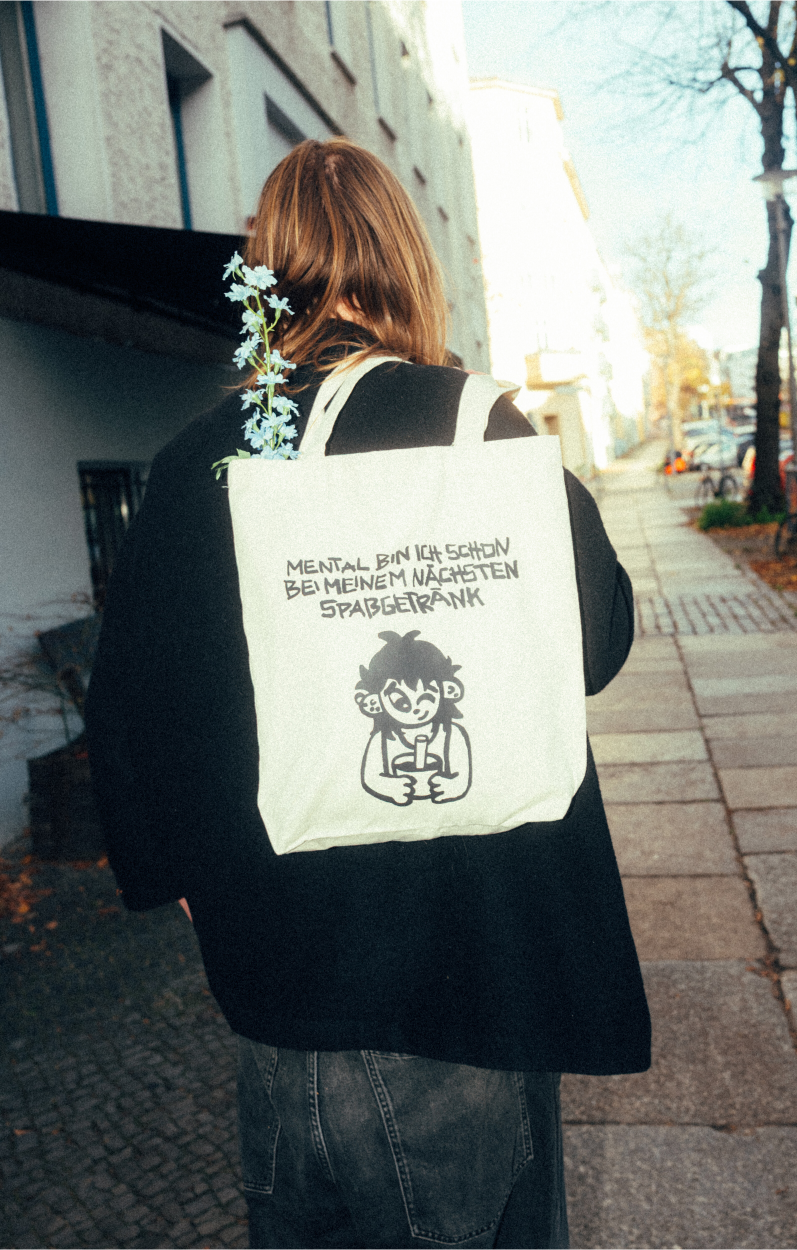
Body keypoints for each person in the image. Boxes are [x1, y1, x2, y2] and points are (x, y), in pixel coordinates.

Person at [85, 137, 650, 1250]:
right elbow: (593, 639)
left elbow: (128, 709)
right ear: (404, 257)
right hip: (461, 975)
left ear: (274, 264)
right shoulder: (475, 429)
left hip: (274, 982)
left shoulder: (202, 458)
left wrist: (186, 881)